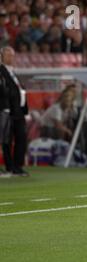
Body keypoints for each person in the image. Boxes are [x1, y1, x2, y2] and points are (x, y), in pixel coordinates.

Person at [0, 46, 29, 176]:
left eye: (12, 55)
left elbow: (18, 91)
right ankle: (10, 166)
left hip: (19, 111)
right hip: (8, 111)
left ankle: (17, 165)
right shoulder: (1, 72)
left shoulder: (13, 73)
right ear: (2, 56)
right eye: (8, 55)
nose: (11, 57)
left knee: (21, 138)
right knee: (7, 139)